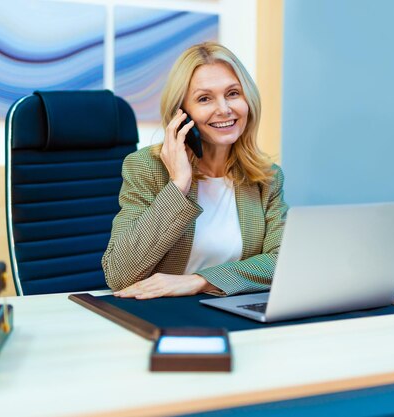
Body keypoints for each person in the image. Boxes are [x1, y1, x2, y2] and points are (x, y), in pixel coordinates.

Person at [102, 42, 288, 299]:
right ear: (182, 114)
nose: (224, 109)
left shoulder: (265, 176)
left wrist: (200, 281)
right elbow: (119, 275)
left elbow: (282, 261)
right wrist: (178, 185)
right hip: (162, 314)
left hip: (229, 308)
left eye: (233, 93)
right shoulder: (146, 167)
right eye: (204, 98)